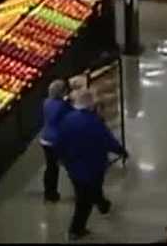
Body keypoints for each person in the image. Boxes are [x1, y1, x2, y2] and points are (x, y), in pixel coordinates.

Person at [59, 88, 128, 240]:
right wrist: (121, 151)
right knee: (84, 202)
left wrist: (64, 160)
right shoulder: (94, 122)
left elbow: (60, 142)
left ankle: (103, 205)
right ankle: (76, 230)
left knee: (87, 190)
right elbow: (107, 140)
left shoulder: (67, 119)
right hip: (93, 167)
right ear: (90, 105)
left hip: (74, 167)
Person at [39, 79, 72, 202]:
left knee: (51, 167)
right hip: (57, 140)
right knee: (70, 164)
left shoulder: (46, 102)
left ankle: (49, 193)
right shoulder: (63, 106)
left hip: (45, 139)